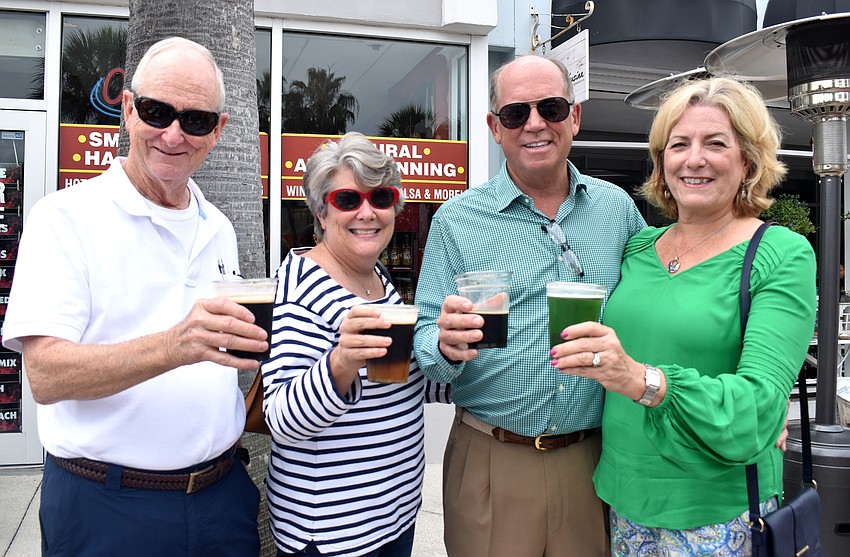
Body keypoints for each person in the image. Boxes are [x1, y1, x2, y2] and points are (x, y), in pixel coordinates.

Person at [2, 37, 264, 556]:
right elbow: (46, 376)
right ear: (127, 109)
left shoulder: (220, 227)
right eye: (156, 110)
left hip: (222, 498)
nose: (173, 133)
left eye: (194, 119)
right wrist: (176, 345)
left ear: (217, 131)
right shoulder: (66, 218)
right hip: (106, 507)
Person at [552, 77, 817, 555]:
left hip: (718, 514)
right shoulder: (637, 248)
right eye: (679, 145)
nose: (693, 159)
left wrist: (640, 379)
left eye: (716, 143)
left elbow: (759, 407)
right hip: (623, 502)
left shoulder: (780, 253)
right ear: (661, 161)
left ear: (748, 161)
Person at [413, 55, 646, 557]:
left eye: (552, 107)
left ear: (575, 117)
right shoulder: (456, 220)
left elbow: (657, 309)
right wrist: (446, 344)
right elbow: (425, 345)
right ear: (495, 128)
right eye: (517, 113)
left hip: (596, 457)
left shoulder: (617, 209)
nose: (535, 123)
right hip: (491, 457)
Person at [261, 131, 450, 557]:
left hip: (392, 516)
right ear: (320, 213)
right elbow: (281, 419)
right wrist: (341, 361)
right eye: (348, 200)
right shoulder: (299, 289)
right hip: (332, 531)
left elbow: (402, 382)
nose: (366, 212)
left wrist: (452, 354)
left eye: (380, 198)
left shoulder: (376, 279)